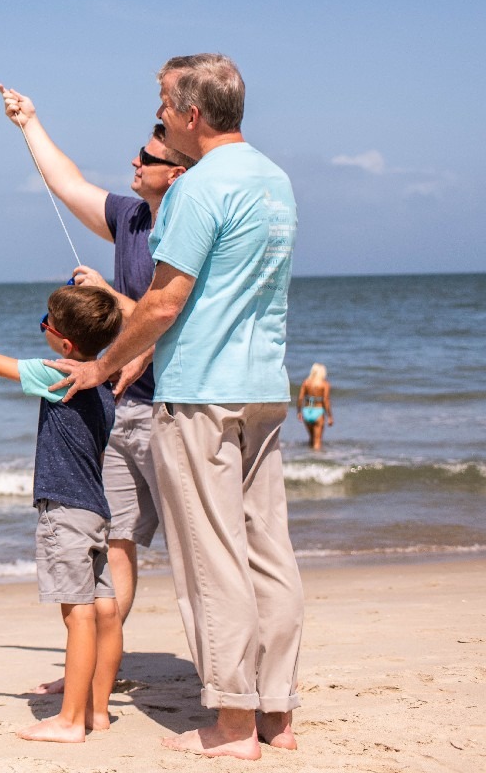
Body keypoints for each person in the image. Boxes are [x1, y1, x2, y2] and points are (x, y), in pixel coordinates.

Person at [48, 53, 302, 760]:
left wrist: (101, 361)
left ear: (192, 115)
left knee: (211, 562)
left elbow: (164, 300)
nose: (158, 114)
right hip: (260, 390)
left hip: (199, 395)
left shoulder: (199, 189)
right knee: (268, 554)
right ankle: (276, 714)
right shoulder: (275, 180)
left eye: (163, 102)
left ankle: (231, 726)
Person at [1, 88, 196, 676]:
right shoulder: (130, 217)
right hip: (123, 408)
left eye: (146, 157)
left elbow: (181, 314)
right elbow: (67, 182)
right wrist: (29, 122)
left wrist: (112, 298)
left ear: (177, 172)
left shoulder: (196, 221)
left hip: (177, 411)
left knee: (196, 554)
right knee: (115, 546)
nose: (134, 163)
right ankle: (99, 671)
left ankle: (226, 677)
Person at [0, 285, 124, 743]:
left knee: (79, 615)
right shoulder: (106, 380)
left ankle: (71, 721)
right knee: (105, 610)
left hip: (65, 511)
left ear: (64, 343)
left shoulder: (55, 373)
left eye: (45, 326)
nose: (43, 331)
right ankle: (98, 711)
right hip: (95, 510)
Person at [297, 364, 333, 452]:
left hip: (306, 411)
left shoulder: (306, 382)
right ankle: (316, 461)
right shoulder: (324, 384)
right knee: (317, 441)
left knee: (311, 438)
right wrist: (330, 416)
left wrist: (299, 412)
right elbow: (326, 401)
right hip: (318, 412)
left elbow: (300, 398)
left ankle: (309, 458)